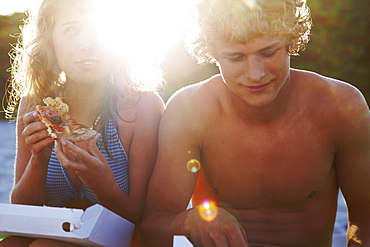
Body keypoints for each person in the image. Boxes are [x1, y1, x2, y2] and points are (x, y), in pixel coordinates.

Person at [141, 0, 370, 246]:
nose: (255, 74)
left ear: (290, 40)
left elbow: (366, 219)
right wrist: (189, 221)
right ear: (213, 52)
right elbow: (151, 227)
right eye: (235, 57)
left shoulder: (341, 106)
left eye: (268, 52)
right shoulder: (189, 111)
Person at [1, 0, 164, 246]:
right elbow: (25, 213)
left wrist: (103, 184)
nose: (87, 44)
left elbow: (145, 219)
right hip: (55, 235)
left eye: (99, 30)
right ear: (50, 41)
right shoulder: (36, 105)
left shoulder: (142, 106)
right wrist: (38, 160)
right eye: (71, 30)